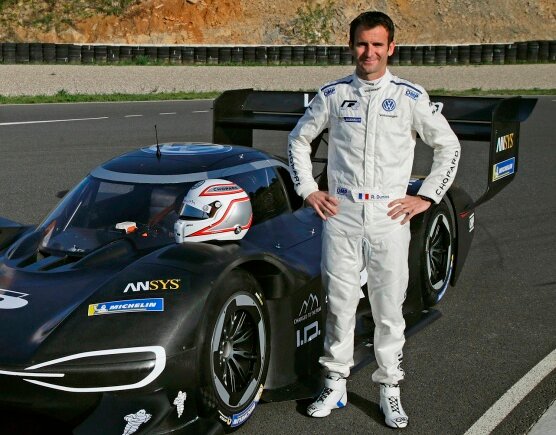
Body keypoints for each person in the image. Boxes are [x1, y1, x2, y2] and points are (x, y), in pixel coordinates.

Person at [287, 11, 460, 429]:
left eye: (377, 44)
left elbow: (449, 147)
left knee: (388, 308)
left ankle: (390, 388)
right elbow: (298, 141)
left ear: (391, 48)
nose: (369, 52)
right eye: (363, 44)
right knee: (339, 304)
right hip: (342, 215)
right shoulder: (333, 94)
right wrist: (308, 189)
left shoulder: (409, 96)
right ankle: (335, 383)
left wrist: (427, 196)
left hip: (388, 216)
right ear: (351, 46)